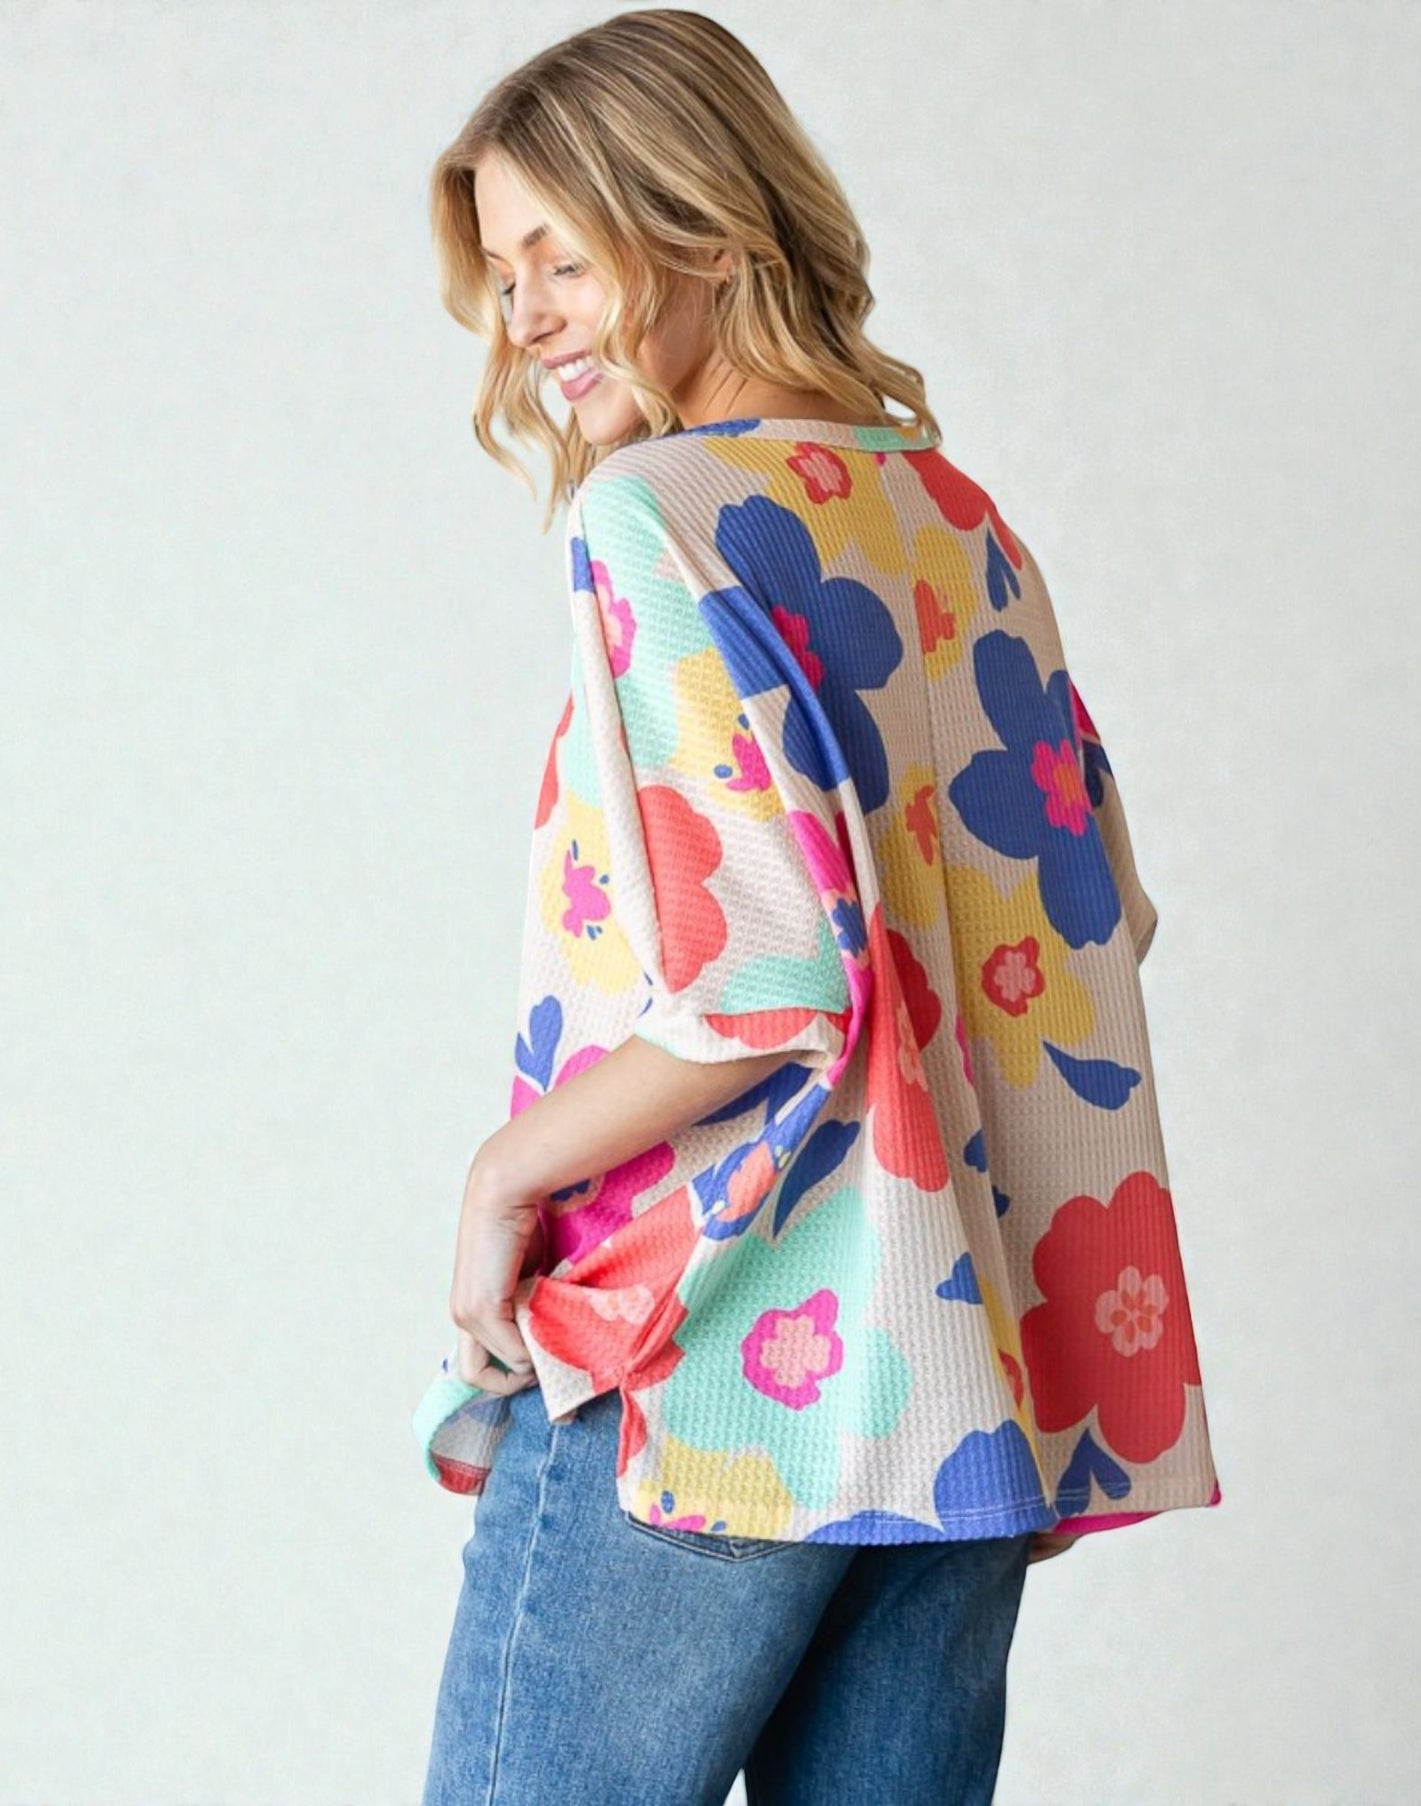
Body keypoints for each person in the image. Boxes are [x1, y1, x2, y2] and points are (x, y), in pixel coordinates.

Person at [414, 11, 1222, 1803]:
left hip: (716, 1350)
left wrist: (503, 1176)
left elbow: (765, 981)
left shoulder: (657, 515)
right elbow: (1102, 919)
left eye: (564, 255)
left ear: (705, 225)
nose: (524, 318)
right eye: (501, 271)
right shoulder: (953, 521)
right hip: (954, 1372)